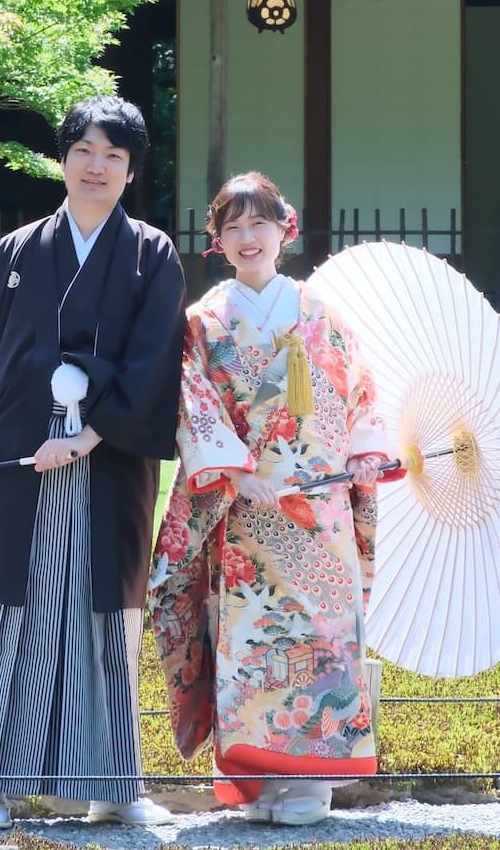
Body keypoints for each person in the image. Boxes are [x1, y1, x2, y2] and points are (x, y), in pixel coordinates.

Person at [0, 96, 185, 825]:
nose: (96, 167)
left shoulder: (151, 255)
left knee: (103, 620)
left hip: (109, 462)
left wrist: (88, 435)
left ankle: (112, 790)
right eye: (84, 151)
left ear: (131, 172)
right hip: (17, 458)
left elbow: (155, 362)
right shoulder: (19, 250)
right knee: (0, 612)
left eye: (113, 156)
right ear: (62, 158)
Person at [148, 173, 395, 827]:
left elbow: (360, 394)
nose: (247, 237)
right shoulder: (202, 324)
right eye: (232, 227)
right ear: (217, 242)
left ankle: (312, 787)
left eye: (259, 223)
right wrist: (232, 473)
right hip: (247, 510)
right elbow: (193, 404)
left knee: (320, 638)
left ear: (285, 230)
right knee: (253, 640)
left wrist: (359, 455)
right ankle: (261, 780)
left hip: (317, 508)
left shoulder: (322, 314)